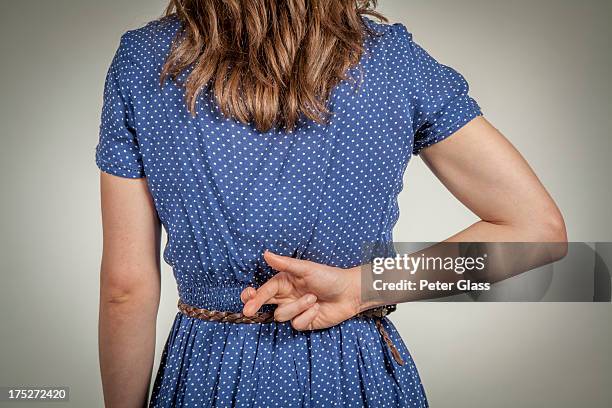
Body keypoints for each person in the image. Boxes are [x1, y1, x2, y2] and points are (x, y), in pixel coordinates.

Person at [96, 1, 566, 407]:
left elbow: (126, 290)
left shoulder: (143, 61)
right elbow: (538, 231)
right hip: (351, 372)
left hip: (208, 374)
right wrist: (362, 288)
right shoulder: (392, 60)